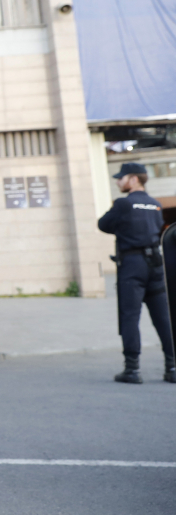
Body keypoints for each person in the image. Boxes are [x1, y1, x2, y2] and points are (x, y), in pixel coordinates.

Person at [97, 162, 176, 384]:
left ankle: (132, 369)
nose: (117, 181)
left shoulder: (123, 204)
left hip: (132, 265)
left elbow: (103, 224)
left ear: (133, 179)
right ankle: (172, 367)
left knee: (130, 316)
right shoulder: (155, 204)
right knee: (164, 318)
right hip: (156, 265)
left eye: (120, 178)